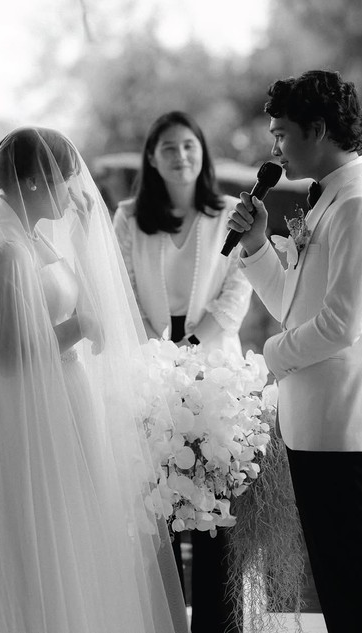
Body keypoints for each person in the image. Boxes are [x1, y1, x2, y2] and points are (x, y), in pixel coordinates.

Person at [0, 127, 187, 633]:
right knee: (43, 543)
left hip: (64, 401)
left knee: (77, 538)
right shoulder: (6, 253)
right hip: (33, 419)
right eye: (65, 178)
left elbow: (88, 314)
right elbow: (8, 354)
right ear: (32, 183)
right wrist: (77, 329)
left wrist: (89, 243)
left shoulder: (36, 238)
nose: (73, 188)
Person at [227, 71, 362, 633]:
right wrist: (256, 246)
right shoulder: (326, 200)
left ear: (319, 129)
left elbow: (340, 326)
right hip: (314, 426)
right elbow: (294, 305)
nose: (274, 147)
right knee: (337, 589)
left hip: (347, 426)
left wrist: (268, 361)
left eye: (282, 133)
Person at [113, 111, 252, 633]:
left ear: (203, 153)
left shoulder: (230, 214)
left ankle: (220, 625)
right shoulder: (128, 218)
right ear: (152, 157)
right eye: (168, 147)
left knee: (217, 509)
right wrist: (162, 354)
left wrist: (194, 347)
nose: (180, 156)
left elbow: (239, 289)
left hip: (217, 376)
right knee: (159, 510)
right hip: (150, 374)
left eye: (189, 146)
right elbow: (119, 290)